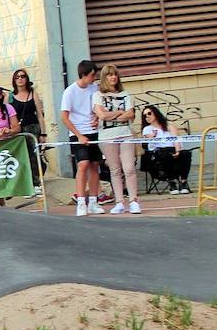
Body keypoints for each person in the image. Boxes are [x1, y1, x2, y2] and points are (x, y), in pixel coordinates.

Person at [93, 63, 140, 215]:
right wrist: (120, 113)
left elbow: (130, 115)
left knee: (129, 168)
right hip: (107, 136)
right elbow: (101, 116)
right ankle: (119, 201)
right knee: (115, 170)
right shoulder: (97, 95)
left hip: (125, 133)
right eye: (109, 74)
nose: (113, 77)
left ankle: (133, 201)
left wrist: (112, 115)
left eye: (115, 74)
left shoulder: (125, 94)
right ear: (104, 77)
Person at [61, 59, 102, 216]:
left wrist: (97, 118)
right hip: (77, 133)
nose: (94, 78)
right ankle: (81, 202)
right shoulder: (69, 92)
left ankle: (93, 201)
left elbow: (97, 109)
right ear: (84, 74)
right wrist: (79, 135)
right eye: (92, 75)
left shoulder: (94, 89)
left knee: (94, 165)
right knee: (83, 164)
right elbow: (64, 117)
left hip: (93, 131)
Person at [10, 69, 47, 196]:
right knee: (22, 157)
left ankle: (37, 183)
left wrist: (43, 133)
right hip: (18, 130)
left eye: (23, 76)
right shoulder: (9, 96)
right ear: (14, 80)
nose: (20, 79)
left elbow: (40, 115)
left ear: (27, 79)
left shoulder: (32, 93)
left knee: (34, 157)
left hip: (33, 128)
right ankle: (27, 184)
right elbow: (5, 113)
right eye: (17, 77)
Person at [142, 105, 191, 193]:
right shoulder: (147, 129)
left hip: (173, 148)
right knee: (164, 154)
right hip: (159, 150)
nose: (147, 116)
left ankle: (184, 182)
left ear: (155, 113)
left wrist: (177, 151)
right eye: (144, 115)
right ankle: (172, 183)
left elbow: (175, 139)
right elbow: (149, 138)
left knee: (186, 154)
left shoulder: (169, 125)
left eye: (149, 113)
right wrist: (153, 135)